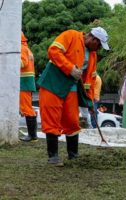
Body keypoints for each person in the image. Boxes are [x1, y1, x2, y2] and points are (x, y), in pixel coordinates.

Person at [38, 27, 109, 166]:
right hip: (53, 84)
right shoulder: (70, 35)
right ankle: (53, 157)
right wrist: (70, 68)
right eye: (99, 45)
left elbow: (90, 81)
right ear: (93, 39)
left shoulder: (93, 55)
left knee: (72, 121)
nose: (99, 48)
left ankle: (74, 155)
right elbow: (53, 51)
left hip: (71, 88)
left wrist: (89, 103)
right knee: (51, 120)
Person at [19, 32, 38, 142]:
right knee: (27, 107)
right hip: (27, 82)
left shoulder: (21, 48)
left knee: (27, 108)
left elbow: (23, 63)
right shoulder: (26, 48)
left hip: (24, 82)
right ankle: (32, 135)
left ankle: (32, 135)